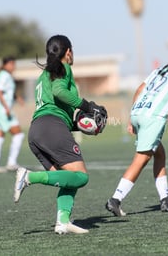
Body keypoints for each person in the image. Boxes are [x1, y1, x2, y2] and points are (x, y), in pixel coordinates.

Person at [13, 35, 107, 234]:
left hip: (38, 130)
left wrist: (79, 125)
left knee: (67, 178)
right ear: (68, 52)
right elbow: (58, 91)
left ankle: (63, 221)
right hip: (50, 126)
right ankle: (29, 176)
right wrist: (87, 105)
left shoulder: (45, 74)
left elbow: (54, 109)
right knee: (80, 176)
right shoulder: (63, 68)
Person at [105, 55, 168, 216]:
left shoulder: (163, 69)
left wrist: (132, 119)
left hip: (138, 112)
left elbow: (139, 90)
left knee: (159, 153)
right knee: (141, 159)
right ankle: (115, 199)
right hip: (153, 118)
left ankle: (165, 200)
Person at [0, 56, 25, 173]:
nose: (13, 67)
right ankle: (11, 162)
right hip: (3, 110)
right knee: (18, 134)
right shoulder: (4, 75)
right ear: (5, 65)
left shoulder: (4, 75)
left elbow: (6, 91)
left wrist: (17, 97)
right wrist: (6, 108)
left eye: (14, 64)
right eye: (11, 64)